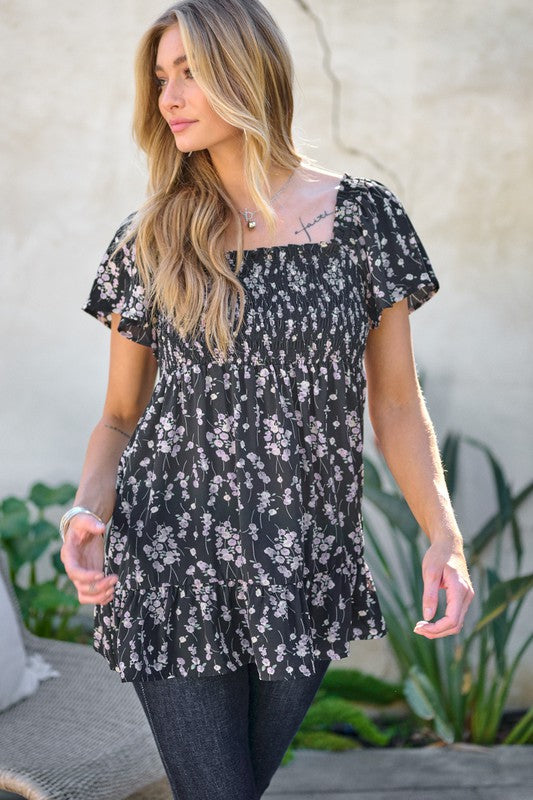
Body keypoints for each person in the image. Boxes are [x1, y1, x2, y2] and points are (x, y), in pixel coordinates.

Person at [59, 0, 475, 797]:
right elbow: (120, 418)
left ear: (246, 73)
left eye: (189, 73)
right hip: (173, 559)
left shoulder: (361, 220)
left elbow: (392, 405)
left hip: (302, 566)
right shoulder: (150, 239)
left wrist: (441, 537)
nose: (168, 98)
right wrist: (87, 511)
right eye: (160, 79)